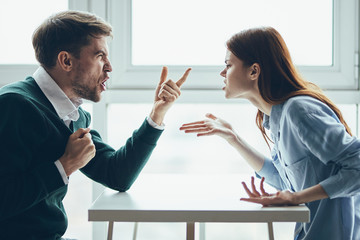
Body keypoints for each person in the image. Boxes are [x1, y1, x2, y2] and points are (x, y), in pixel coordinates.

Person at [0, 10, 191, 240]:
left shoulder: (74, 115)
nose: (109, 67)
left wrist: (156, 114)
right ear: (66, 61)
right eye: (100, 56)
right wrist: (64, 166)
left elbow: (117, 175)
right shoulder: (14, 105)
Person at [180, 27, 360, 240]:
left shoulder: (299, 110)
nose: (222, 73)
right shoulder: (278, 118)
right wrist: (234, 139)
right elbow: (286, 182)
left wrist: (295, 198)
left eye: (228, 65)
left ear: (254, 71)